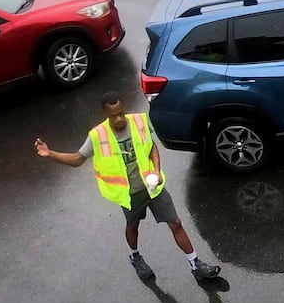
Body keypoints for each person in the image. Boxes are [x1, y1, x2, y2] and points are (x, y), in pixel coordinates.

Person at [35, 92, 222, 284]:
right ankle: (135, 256)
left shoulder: (139, 122)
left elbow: (151, 148)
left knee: (175, 223)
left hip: (153, 188)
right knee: (133, 227)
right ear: (106, 114)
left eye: (121, 113)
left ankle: (195, 265)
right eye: (113, 115)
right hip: (129, 195)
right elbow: (77, 159)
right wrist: (50, 153)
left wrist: (157, 171)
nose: (118, 118)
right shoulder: (97, 136)